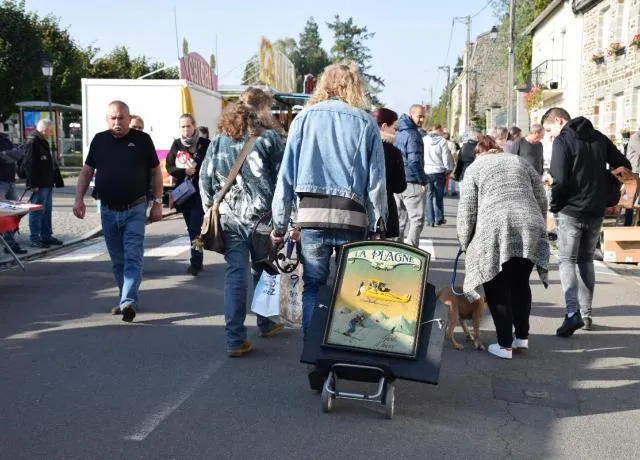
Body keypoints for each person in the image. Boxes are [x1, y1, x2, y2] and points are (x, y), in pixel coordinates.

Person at [271, 62, 388, 386]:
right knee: (351, 291)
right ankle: (347, 353)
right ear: (355, 87)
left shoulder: (304, 119)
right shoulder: (364, 121)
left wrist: (280, 223)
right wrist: (379, 223)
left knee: (313, 287)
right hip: (353, 217)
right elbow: (376, 180)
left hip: (312, 217)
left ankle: (315, 359)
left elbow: (286, 175)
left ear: (324, 85)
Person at [199, 100, 285, 357]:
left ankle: (235, 339)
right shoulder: (268, 139)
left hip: (229, 218)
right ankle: (266, 322)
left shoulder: (218, 140)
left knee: (235, 274)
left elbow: (204, 178)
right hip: (262, 219)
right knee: (265, 269)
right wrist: (283, 218)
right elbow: (282, 179)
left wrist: (210, 209)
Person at [457, 135, 549, 359]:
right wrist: (538, 223)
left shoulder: (475, 168)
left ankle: (504, 345)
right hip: (530, 225)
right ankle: (522, 338)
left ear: (478, 153)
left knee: (497, 286)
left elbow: (467, 210)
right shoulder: (519, 161)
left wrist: (465, 241)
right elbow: (541, 197)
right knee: (520, 283)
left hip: (496, 227)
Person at [542, 107, 631, 335]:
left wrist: (554, 206)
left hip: (571, 210)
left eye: (549, 130)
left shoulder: (563, 141)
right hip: (596, 210)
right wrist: (605, 185)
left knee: (567, 260)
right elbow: (623, 164)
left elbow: (558, 180)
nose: (549, 136)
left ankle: (572, 313)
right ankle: (586, 314)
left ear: (559, 120)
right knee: (586, 260)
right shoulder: (599, 137)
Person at [73, 101, 164, 322]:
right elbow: (87, 171)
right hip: (108, 210)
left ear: (129, 118)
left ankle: (128, 301)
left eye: (121, 118)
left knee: (133, 255)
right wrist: (78, 200)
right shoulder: (99, 140)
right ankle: (126, 298)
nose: (117, 122)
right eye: (113, 118)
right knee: (118, 260)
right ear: (107, 120)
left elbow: (156, 172)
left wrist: (158, 202)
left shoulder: (142, 140)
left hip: (135, 208)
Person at [165, 113, 210, 275]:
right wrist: (184, 171)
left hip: (200, 193)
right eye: (182, 126)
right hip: (184, 194)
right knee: (192, 229)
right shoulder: (177, 144)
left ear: (194, 126)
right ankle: (197, 254)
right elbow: (169, 167)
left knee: (194, 228)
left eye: (188, 126)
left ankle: (196, 262)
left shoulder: (205, 144)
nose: (185, 129)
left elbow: (212, 165)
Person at [24, 119, 63, 248]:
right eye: (51, 131)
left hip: (46, 182)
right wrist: (33, 184)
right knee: (37, 211)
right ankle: (35, 238)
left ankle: (46, 236)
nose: (51, 134)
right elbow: (29, 165)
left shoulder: (42, 141)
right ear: (45, 130)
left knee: (46, 211)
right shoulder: (33, 142)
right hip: (39, 184)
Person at [394, 104, 427, 246]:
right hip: (412, 181)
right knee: (417, 219)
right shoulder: (413, 134)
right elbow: (414, 161)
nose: (422, 120)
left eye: (423, 116)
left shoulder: (398, 131)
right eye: (419, 116)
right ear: (411, 114)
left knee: (400, 219)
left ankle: (396, 249)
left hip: (398, 180)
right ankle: (411, 251)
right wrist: (423, 181)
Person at [373, 108, 407, 239]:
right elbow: (400, 186)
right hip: (385, 209)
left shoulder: (362, 147)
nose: (396, 132)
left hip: (360, 212)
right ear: (384, 126)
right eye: (394, 128)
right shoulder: (393, 152)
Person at [0, 133, 27, 254]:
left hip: (10, 181)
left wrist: (8, 154)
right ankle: (7, 242)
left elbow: (19, 154)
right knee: (4, 213)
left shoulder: (6, 139)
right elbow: (7, 157)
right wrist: (10, 154)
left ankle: (9, 242)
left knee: (16, 211)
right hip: (1, 182)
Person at [423, 124, 454, 227]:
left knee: (428, 196)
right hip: (439, 171)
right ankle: (439, 219)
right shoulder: (442, 141)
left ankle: (430, 220)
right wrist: (447, 168)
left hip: (427, 171)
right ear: (439, 130)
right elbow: (445, 156)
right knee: (439, 196)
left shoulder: (424, 140)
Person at [624, 128, 640, 225]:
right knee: (631, 199)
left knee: (633, 199)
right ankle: (628, 223)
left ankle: (635, 222)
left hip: (636, 172)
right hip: (632, 173)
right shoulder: (635, 138)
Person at [443, 131, 459, 196]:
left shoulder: (441, 142)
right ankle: (452, 191)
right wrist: (456, 162)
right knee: (452, 177)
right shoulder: (451, 144)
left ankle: (444, 191)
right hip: (450, 163)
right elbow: (454, 154)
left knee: (444, 177)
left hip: (442, 162)